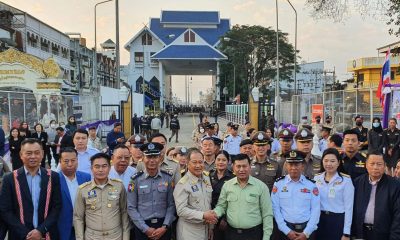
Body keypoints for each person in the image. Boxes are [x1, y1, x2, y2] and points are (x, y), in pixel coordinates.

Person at [0, 138, 62, 240]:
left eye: (37, 153)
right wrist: (26, 234)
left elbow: (57, 207)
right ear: (21, 155)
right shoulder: (10, 179)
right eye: (28, 153)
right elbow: (5, 210)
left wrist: (40, 231)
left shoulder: (53, 177)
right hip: (19, 235)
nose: (33, 156)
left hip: (46, 234)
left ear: (42, 154)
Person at [213, 153, 273, 240]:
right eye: (238, 166)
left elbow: (267, 214)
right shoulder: (227, 185)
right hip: (231, 234)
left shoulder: (261, 187)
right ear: (233, 167)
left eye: (244, 166)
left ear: (250, 166)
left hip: (253, 234)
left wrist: (266, 237)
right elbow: (221, 206)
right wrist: (214, 214)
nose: (241, 169)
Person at [73, 153, 130, 240]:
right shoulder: (83, 190)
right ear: (92, 169)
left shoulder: (119, 186)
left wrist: (126, 237)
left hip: (115, 236)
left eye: (104, 166)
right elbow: (78, 218)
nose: (100, 170)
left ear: (109, 168)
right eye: (97, 166)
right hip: (92, 237)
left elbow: (124, 213)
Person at [127, 142, 176, 240]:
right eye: (148, 157)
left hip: (163, 227)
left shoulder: (168, 178)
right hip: (142, 227)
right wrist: (145, 229)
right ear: (143, 159)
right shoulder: (135, 180)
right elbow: (131, 207)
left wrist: (165, 226)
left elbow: (172, 205)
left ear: (160, 158)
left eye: (155, 157)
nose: (152, 160)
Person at [271, 150, 320, 240]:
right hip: (285, 230)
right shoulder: (278, 184)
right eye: (290, 164)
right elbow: (275, 208)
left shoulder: (311, 185)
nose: (293, 167)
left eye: (296, 164)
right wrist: (286, 230)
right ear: (286, 166)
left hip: (306, 229)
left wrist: (306, 233)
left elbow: (316, 210)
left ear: (302, 166)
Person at [352, 152, 400, 240]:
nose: (375, 167)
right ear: (366, 165)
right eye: (372, 164)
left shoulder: (395, 185)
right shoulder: (357, 182)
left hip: (383, 234)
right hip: (360, 233)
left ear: (385, 165)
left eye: (379, 164)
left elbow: (398, 216)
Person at [173, 148, 216, 240]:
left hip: (205, 228)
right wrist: (203, 215)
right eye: (194, 162)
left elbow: (208, 204)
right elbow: (181, 210)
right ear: (187, 164)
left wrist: (210, 227)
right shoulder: (183, 184)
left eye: (200, 162)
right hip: (189, 231)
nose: (198, 165)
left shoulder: (206, 178)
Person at [314, 148, 354, 240]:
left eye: (332, 161)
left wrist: (346, 233)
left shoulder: (346, 181)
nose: (329, 164)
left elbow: (349, 208)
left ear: (338, 162)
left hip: (337, 221)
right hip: (319, 220)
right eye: (326, 161)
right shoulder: (317, 178)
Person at [58, 147, 91, 240]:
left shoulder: (86, 178)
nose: (70, 164)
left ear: (77, 160)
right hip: (63, 229)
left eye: (73, 160)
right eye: (66, 161)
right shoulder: (54, 179)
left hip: (84, 228)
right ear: (60, 162)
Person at [209, 150, 234, 240]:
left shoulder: (233, 177)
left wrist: (225, 219)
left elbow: (233, 200)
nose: (220, 162)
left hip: (226, 217)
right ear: (215, 161)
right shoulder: (208, 175)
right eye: (218, 159)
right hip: (210, 215)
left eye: (224, 160)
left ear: (228, 161)